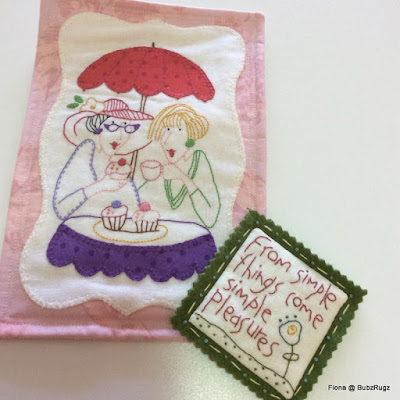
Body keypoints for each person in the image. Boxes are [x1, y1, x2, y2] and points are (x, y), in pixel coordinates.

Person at [53, 98, 153, 220]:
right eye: (112, 126)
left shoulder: (116, 165)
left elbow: (131, 207)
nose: (120, 136)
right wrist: (100, 186)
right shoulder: (86, 153)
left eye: (128, 128)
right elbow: (61, 209)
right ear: (97, 128)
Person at [145, 104, 221, 228]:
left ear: (190, 136)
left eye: (179, 130)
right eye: (166, 130)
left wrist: (183, 177)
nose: (166, 140)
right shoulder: (159, 164)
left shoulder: (198, 159)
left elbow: (210, 217)